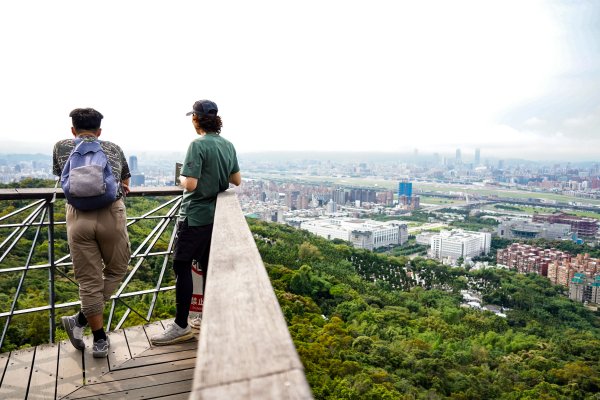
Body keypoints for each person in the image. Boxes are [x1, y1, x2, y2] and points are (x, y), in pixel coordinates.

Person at [151, 99, 241, 346]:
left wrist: (181, 177)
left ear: (196, 119)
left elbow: (190, 184)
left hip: (194, 215)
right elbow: (236, 180)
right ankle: (210, 317)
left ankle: (181, 326)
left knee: (181, 266)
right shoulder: (228, 145)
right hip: (217, 216)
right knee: (208, 266)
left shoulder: (197, 145)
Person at [53, 108, 131, 358]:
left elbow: (62, 177)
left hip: (77, 217)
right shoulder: (113, 148)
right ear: (99, 131)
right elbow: (125, 182)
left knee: (88, 280)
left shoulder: (62, 147)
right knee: (118, 268)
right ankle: (81, 321)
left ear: (73, 130)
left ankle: (98, 339)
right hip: (111, 214)